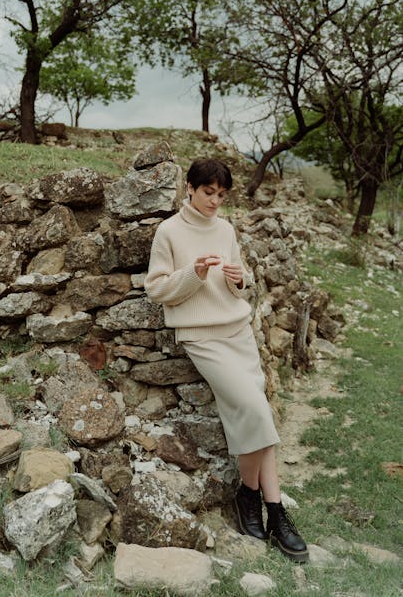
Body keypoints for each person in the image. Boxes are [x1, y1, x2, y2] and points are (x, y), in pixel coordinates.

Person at [144, 157, 308, 563]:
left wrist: (238, 280)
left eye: (221, 195)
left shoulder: (226, 229)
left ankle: (252, 498)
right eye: (208, 193)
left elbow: (242, 287)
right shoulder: (168, 231)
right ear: (190, 187)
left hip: (238, 332)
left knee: (257, 415)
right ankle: (274, 510)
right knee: (256, 409)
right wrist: (194, 274)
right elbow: (156, 290)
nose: (215, 201)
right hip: (202, 337)